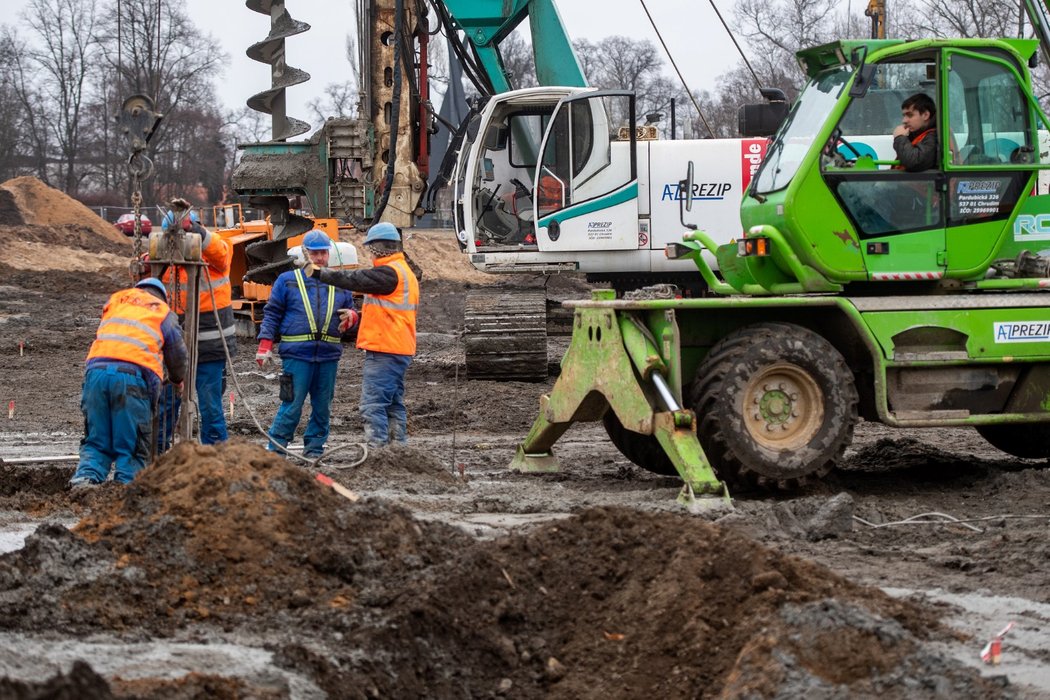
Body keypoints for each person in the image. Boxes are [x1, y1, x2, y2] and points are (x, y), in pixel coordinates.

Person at [303, 222, 420, 447]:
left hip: (386, 349)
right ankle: (399, 452)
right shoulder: (403, 272)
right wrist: (356, 316)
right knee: (393, 404)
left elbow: (353, 279)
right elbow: (385, 309)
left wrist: (318, 273)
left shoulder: (389, 273)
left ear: (377, 247)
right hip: (397, 348)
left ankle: (377, 453)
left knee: (373, 405)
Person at [70, 278, 188, 487]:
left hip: (95, 374)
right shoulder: (161, 311)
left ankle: (84, 480)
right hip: (132, 379)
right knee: (132, 444)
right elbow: (177, 355)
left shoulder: (116, 300)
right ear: (161, 296)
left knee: (97, 438)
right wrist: (178, 380)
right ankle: (126, 488)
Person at [256, 230, 357, 458]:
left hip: (328, 357)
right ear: (305, 254)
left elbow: (351, 311)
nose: (320, 258)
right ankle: (277, 452)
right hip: (296, 357)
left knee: (322, 408)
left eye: (323, 253)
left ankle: (314, 450)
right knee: (291, 406)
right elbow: (272, 314)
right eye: (315, 253)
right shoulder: (287, 281)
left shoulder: (340, 282)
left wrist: (352, 317)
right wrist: (265, 345)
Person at [155, 202, 238, 448]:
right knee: (167, 404)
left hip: (211, 345)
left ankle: (216, 455)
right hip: (174, 349)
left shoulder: (215, 252)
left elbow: (221, 253)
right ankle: (158, 452)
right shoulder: (164, 262)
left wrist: (196, 232)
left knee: (210, 405)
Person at [892, 93, 938, 172]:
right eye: (904, 116)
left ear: (925, 115)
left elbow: (914, 162)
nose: (904, 121)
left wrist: (900, 137)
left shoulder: (933, 137)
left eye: (910, 115)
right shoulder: (915, 134)